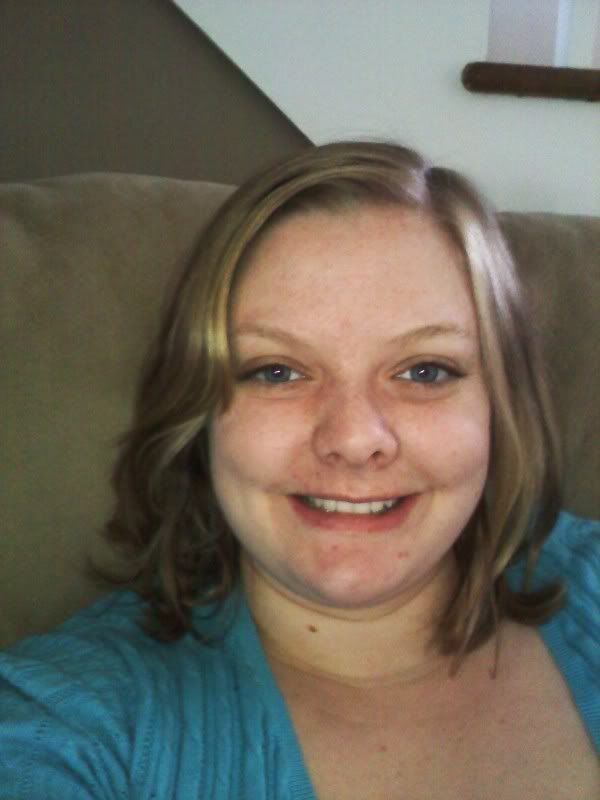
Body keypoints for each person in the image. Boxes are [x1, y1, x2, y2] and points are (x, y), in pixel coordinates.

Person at [0, 141, 598, 799]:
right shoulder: (70, 719)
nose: (354, 439)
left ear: (502, 408)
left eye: (425, 371)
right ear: (199, 413)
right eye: (277, 371)